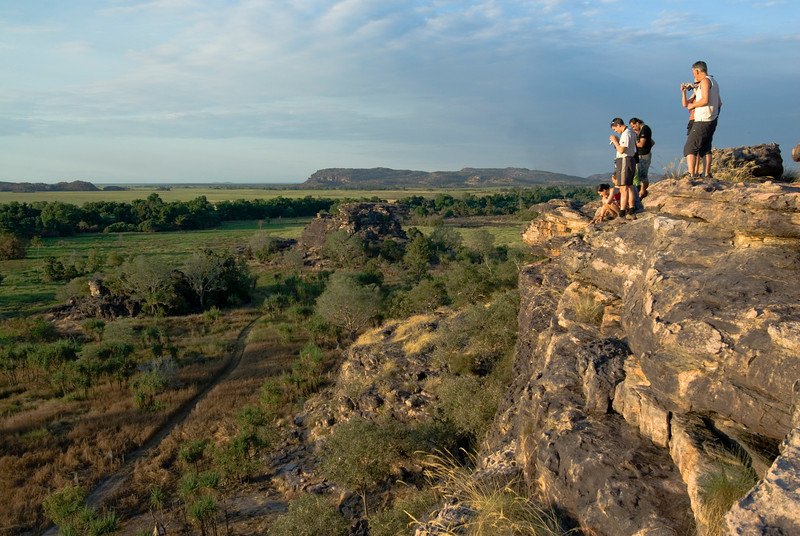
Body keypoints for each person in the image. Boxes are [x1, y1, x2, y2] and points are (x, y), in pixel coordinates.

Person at [682, 61, 721, 178]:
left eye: (694, 73)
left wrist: (692, 106)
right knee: (706, 147)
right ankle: (706, 173)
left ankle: (691, 174)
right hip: (712, 119)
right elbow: (719, 102)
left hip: (702, 119)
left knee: (690, 147)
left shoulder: (705, 81)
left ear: (697, 71)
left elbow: (705, 100)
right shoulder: (714, 82)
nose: (694, 75)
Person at [609, 117, 637, 220]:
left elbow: (621, 149)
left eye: (615, 129)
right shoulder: (632, 133)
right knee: (629, 186)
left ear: (618, 125)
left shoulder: (626, 133)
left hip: (625, 160)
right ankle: (631, 210)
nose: (616, 131)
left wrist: (615, 141)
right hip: (630, 159)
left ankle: (622, 213)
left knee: (623, 187)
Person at [629, 118, 653, 198]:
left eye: (633, 126)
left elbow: (642, 144)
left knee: (642, 175)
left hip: (644, 155)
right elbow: (652, 142)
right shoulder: (643, 130)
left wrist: (631, 145)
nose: (633, 128)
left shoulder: (645, 129)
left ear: (637, 123)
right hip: (643, 154)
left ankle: (643, 192)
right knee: (640, 174)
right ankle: (642, 191)